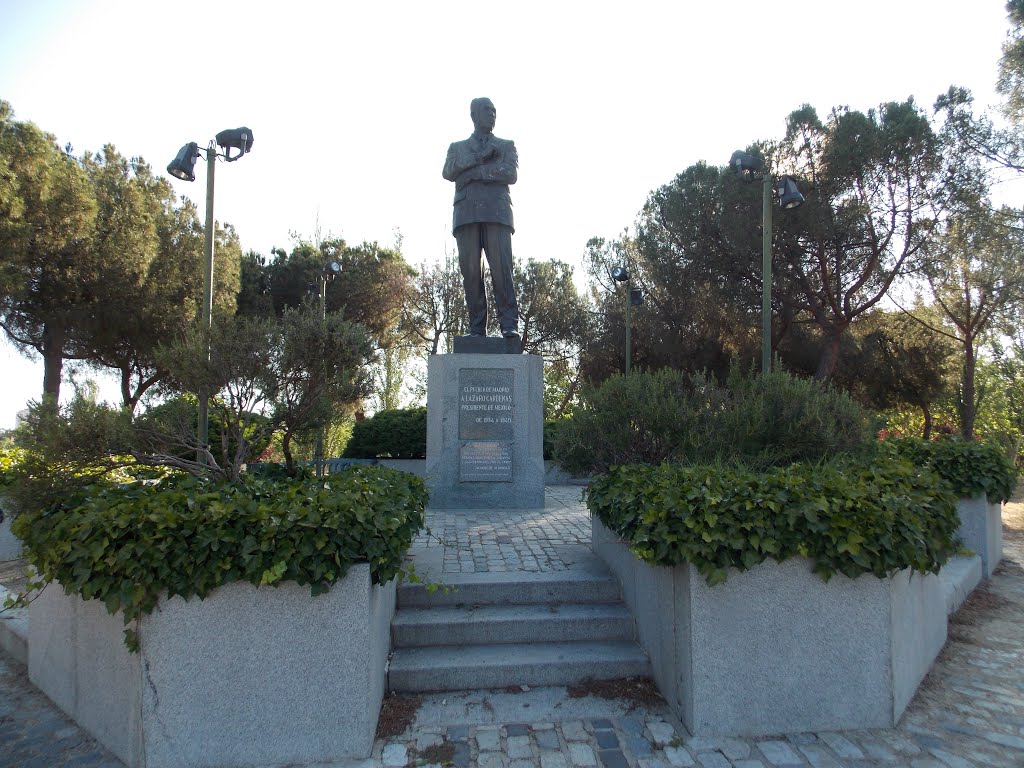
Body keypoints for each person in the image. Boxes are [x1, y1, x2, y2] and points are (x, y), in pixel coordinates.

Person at [442, 97, 519, 338]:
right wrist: (481, 157)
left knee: (501, 271)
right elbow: (448, 172)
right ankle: (477, 328)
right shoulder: (458, 147)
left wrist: (474, 174)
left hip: (497, 213)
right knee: (471, 272)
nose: (492, 114)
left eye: (494, 111)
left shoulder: (506, 145)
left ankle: (509, 325)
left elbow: (510, 173)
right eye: (487, 110)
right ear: (474, 115)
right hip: (466, 214)